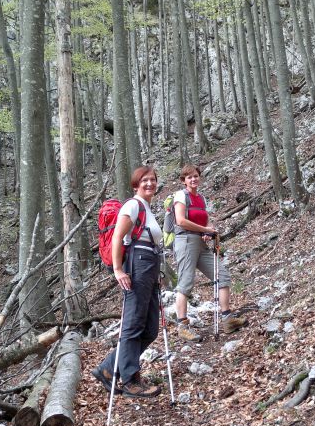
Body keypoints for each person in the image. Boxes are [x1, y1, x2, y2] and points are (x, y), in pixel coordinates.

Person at [92, 166, 163, 398]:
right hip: (138, 264)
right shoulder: (133, 205)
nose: (150, 183)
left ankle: (108, 368)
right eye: (145, 180)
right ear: (136, 185)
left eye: (153, 180)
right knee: (133, 324)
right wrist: (118, 269)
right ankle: (131, 380)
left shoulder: (147, 208)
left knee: (150, 328)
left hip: (150, 265)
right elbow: (117, 238)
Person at [173, 164, 246, 342]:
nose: (193, 179)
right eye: (189, 177)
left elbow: (206, 221)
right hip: (186, 241)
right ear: (184, 181)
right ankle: (182, 326)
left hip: (200, 242)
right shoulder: (181, 195)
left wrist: (208, 230)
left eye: (196, 176)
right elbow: (181, 221)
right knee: (186, 283)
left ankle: (227, 320)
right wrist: (204, 229)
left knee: (222, 275)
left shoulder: (202, 199)